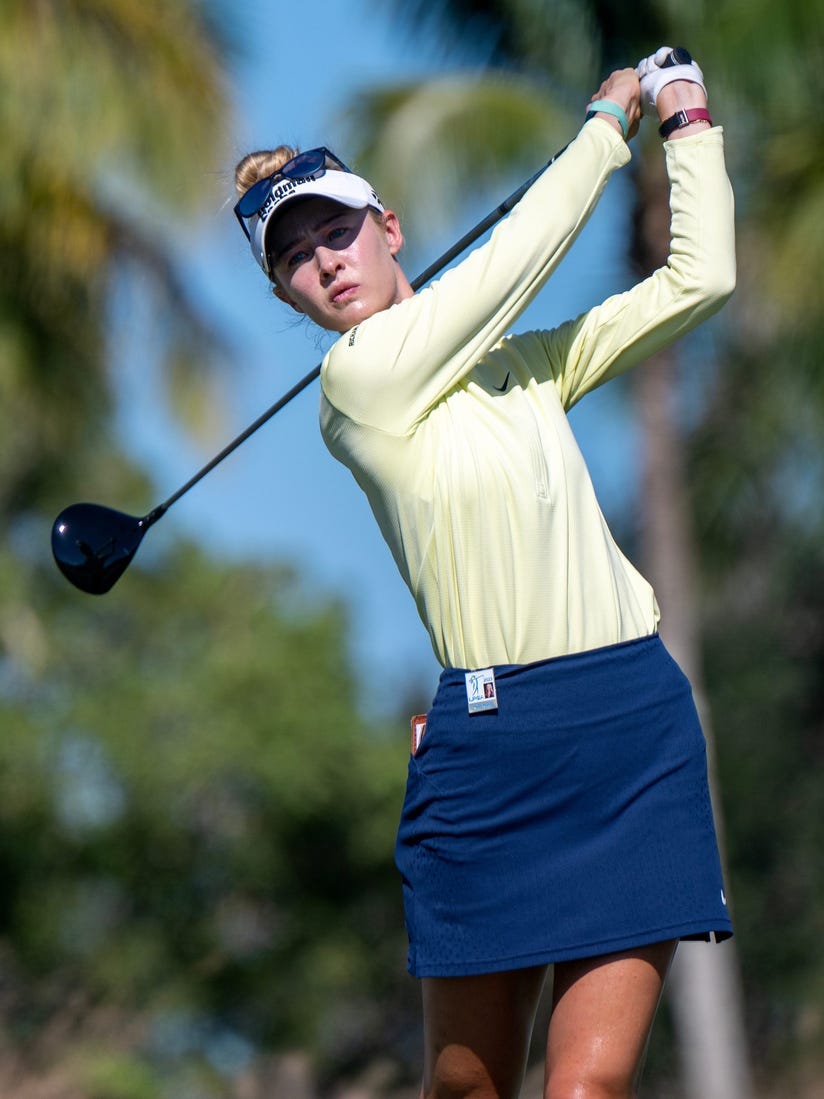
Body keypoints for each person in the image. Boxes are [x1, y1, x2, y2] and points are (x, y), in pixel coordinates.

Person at [233, 47, 735, 1099]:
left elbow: (699, 279)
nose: (324, 262)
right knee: (467, 1089)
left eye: (336, 231)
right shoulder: (358, 385)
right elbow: (509, 267)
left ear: (389, 229)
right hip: (490, 750)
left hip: (626, 727)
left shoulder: (522, 369)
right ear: (285, 291)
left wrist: (684, 120)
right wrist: (604, 126)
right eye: (295, 259)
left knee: (585, 1089)